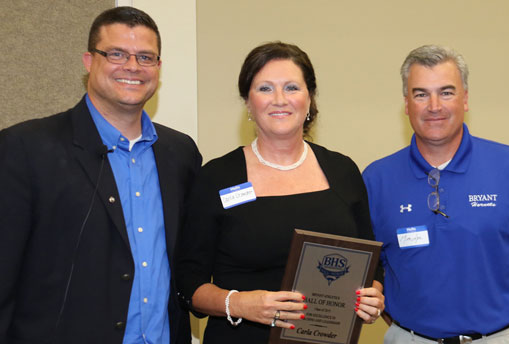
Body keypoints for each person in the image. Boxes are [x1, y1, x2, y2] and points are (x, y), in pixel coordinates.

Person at [0, 6, 201, 344]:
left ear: (159, 68)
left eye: (146, 57)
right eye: (117, 54)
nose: (132, 67)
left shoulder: (180, 153)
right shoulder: (24, 148)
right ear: (89, 61)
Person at [174, 41, 384, 343]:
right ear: (248, 102)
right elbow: (189, 286)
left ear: (309, 99)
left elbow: (372, 265)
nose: (280, 100)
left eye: (291, 88)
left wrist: (373, 294)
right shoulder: (217, 177)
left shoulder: (343, 172)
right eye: (265, 89)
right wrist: (242, 304)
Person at [362, 44, 509, 343]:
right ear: (406, 103)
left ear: (465, 99)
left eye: (446, 92)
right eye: (421, 94)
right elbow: (369, 270)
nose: (434, 106)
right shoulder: (375, 179)